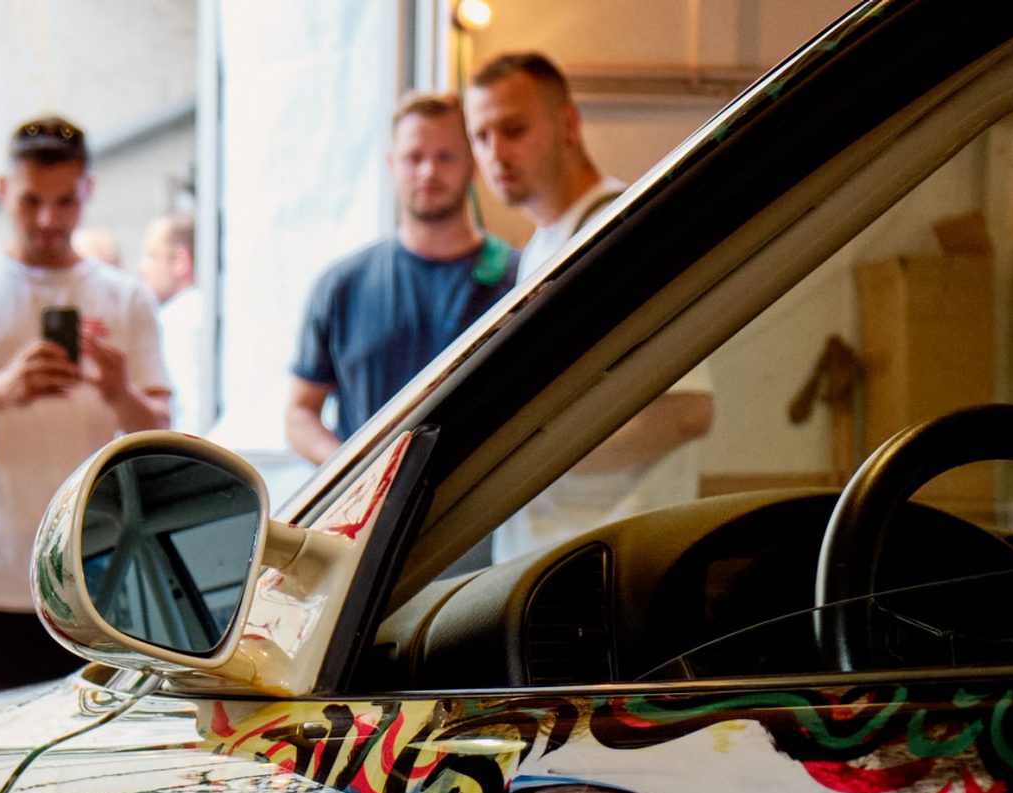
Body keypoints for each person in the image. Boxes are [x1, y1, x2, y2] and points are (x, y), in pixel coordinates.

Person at [0, 116, 170, 699]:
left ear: (88, 192)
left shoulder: (125, 297)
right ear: (3, 192)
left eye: (65, 202)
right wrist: (4, 386)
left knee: (94, 770)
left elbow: (159, 429)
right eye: (32, 202)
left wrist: (117, 391)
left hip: (97, 580)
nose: (49, 220)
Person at [467, 51, 714, 560]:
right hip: (541, 561)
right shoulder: (541, 248)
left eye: (513, 130)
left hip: (611, 566)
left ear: (569, 124)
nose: (496, 154)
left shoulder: (625, 233)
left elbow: (686, 413)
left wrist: (521, 462)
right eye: (481, 137)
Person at [287, 93, 518, 467]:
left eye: (445, 156)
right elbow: (300, 412)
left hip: (490, 516)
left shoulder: (519, 281)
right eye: (414, 158)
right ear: (391, 164)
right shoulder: (341, 286)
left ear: (472, 165)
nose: (428, 171)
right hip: (368, 521)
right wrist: (350, 474)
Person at [140, 212, 206, 433]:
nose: (142, 268)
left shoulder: (177, 321)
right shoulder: (209, 312)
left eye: (150, 255)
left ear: (180, 261)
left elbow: (190, 414)